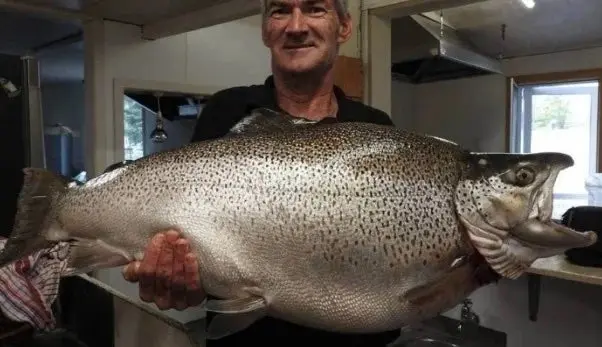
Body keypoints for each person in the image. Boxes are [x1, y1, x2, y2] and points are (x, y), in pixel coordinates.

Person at [122, 0, 400, 344]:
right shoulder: (226, 113)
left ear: (344, 27)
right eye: (280, 10)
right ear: (266, 30)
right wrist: (182, 281)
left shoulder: (374, 128)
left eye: (315, 9)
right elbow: (200, 262)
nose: (296, 26)